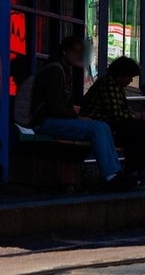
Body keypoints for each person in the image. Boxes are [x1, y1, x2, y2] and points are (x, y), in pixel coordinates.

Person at [28, 36, 123, 187]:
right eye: (74, 51)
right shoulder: (55, 71)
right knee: (97, 128)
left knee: (103, 126)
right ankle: (111, 175)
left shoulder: (64, 71)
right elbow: (55, 108)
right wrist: (77, 117)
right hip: (43, 122)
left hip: (51, 119)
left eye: (80, 52)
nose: (78, 55)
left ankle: (116, 172)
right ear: (65, 51)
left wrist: (76, 113)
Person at [81, 56, 145, 189]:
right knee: (136, 130)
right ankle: (133, 173)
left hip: (110, 125)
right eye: (129, 76)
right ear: (121, 74)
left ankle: (143, 172)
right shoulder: (108, 85)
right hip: (101, 126)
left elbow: (124, 111)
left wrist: (141, 118)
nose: (131, 80)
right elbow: (116, 114)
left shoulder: (117, 88)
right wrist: (141, 116)